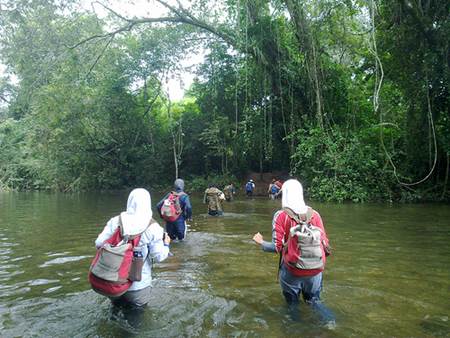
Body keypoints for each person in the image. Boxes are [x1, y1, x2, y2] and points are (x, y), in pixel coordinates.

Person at [252, 179, 334, 325]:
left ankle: (296, 330)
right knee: (314, 301)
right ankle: (331, 323)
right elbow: (325, 243)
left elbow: (277, 247)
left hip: (292, 271)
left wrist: (261, 242)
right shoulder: (315, 214)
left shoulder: (281, 215)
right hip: (315, 270)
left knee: (292, 306)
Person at [94, 188, 171, 307]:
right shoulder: (154, 228)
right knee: (136, 321)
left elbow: (99, 243)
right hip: (138, 285)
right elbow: (159, 257)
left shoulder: (116, 221)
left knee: (115, 313)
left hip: (112, 282)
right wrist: (166, 243)